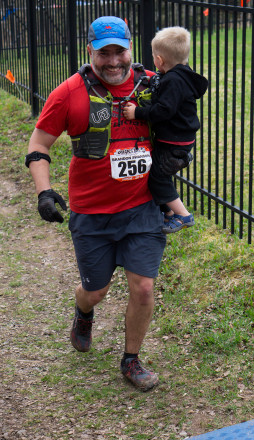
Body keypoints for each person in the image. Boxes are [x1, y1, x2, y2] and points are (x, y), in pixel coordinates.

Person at [24, 16, 182, 392]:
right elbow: (39, 145)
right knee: (96, 290)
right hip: (91, 213)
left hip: (142, 207)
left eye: (120, 52)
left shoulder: (152, 86)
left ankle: (131, 361)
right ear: (90, 51)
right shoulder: (68, 93)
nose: (114, 61)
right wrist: (44, 193)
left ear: (131, 49)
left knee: (143, 287)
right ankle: (84, 311)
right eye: (104, 53)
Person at [123, 26, 208, 234]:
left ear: (159, 60)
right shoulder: (180, 76)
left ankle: (183, 215)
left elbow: (164, 110)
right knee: (160, 174)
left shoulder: (173, 81)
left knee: (158, 178)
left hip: (174, 143)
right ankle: (168, 213)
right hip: (179, 140)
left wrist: (137, 113)